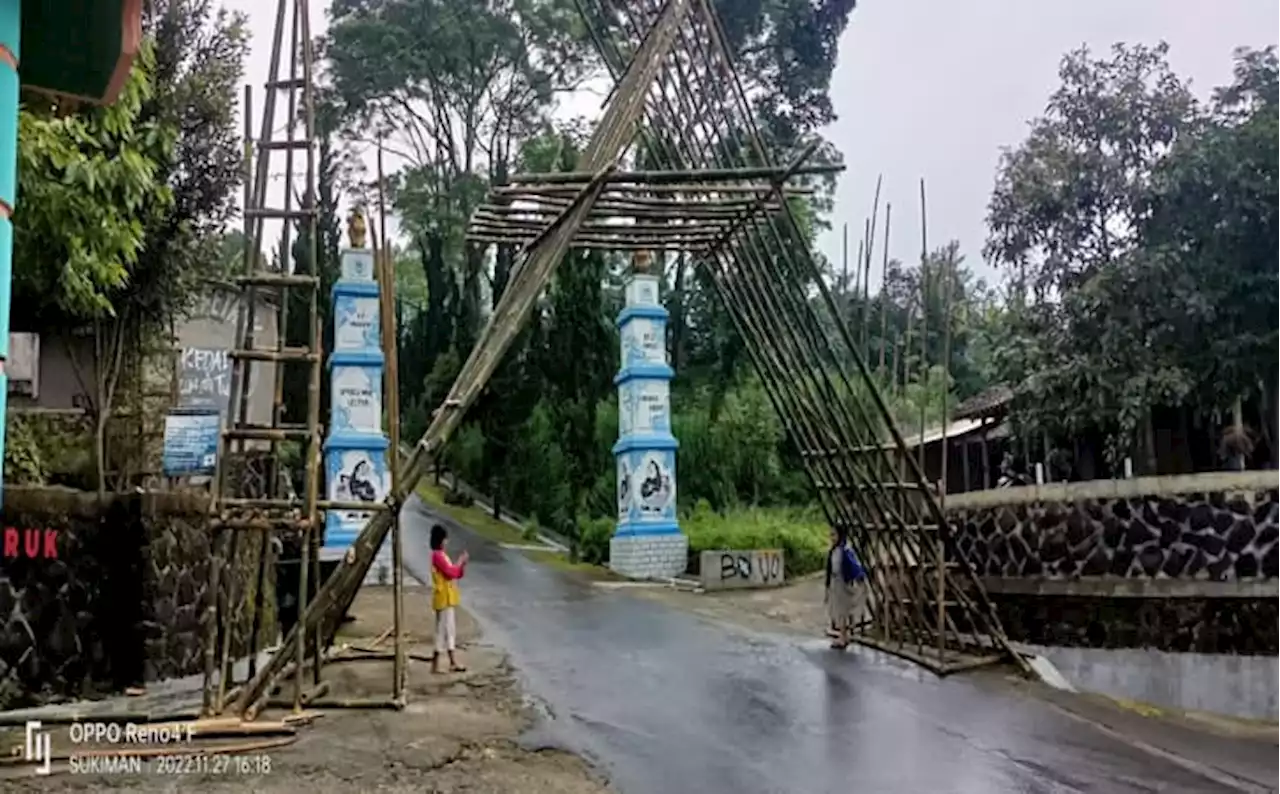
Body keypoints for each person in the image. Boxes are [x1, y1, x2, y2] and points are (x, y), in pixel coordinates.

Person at [430, 523, 469, 673]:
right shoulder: (437, 556)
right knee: (443, 630)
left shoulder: (442, 555)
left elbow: (456, 573)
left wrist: (461, 565)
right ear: (441, 540)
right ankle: (443, 663)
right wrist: (460, 562)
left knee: (448, 629)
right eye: (445, 539)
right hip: (443, 598)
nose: (447, 541)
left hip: (448, 597)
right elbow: (450, 572)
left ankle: (445, 662)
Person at [824, 528, 868, 650]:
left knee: (842, 611)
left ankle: (843, 637)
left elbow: (853, 565)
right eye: (831, 535)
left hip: (842, 582)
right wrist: (827, 586)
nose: (832, 538)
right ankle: (844, 635)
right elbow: (829, 569)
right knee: (838, 610)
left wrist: (860, 576)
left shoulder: (845, 550)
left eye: (834, 535)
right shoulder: (834, 550)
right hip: (835, 582)